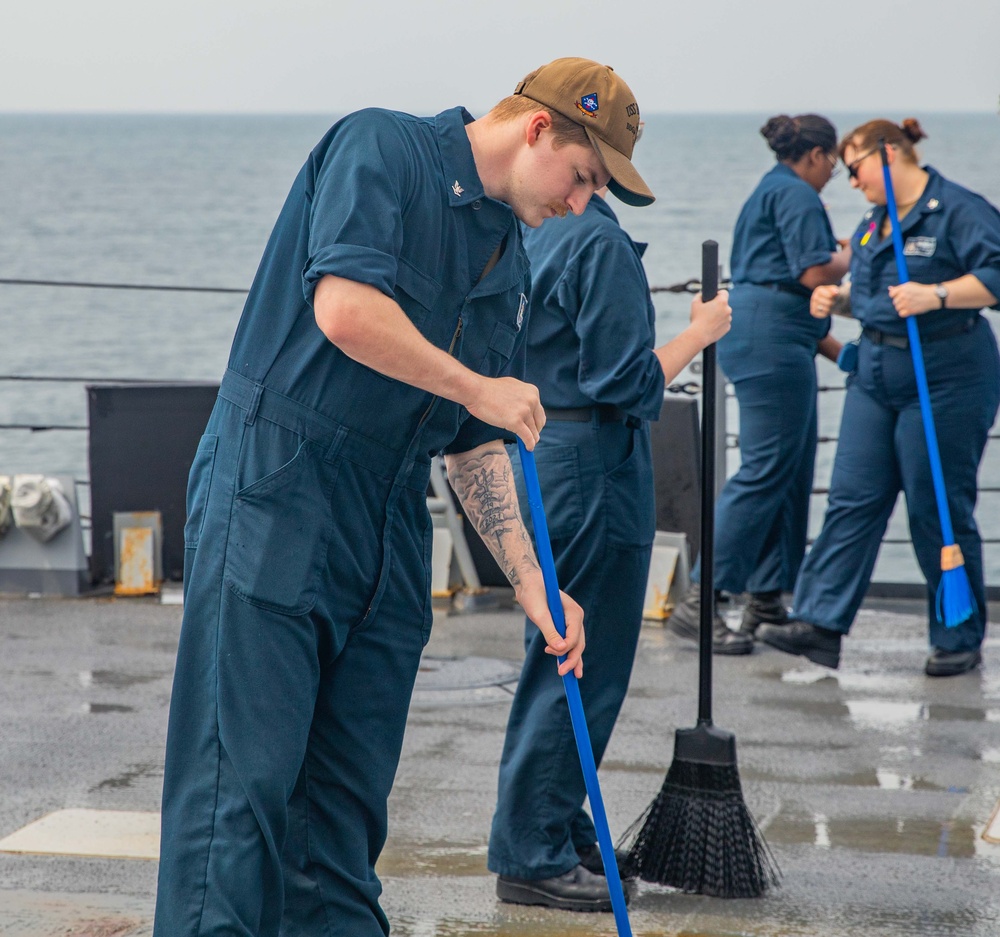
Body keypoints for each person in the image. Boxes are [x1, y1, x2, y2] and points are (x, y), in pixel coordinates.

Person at [153, 57, 655, 937]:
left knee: (342, 821)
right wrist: (475, 386)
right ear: (538, 129)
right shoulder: (380, 147)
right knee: (239, 799)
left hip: (388, 519)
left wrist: (535, 584)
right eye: (583, 178)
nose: (582, 204)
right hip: (279, 486)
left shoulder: (512, 257)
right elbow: (345, 309)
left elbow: (474, 444)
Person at [487, 174, 732, 910]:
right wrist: (701, 330)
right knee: (581, 661)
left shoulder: (528, 228)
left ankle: (553, 829)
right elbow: (626, 381)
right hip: (594, 457)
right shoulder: (598, 242)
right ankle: (533, 853)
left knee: (558, 648)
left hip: (546, 449)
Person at [757, 117, 1000, 677]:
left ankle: (957, 633)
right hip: (877, 369)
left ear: (889, 154)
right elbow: (874, 299)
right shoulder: (873, 224)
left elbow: (995, 273)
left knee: (935, 505)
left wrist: (938, 293)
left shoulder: (957, 209)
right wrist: (836, 301)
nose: (851, 180)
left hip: (945, 371)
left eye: (855, 167)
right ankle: (820, 624)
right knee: (852, 495)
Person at [667, 114, 850, 652]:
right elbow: (815, 273)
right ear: (815, 155)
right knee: (768, 469)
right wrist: (857, 249)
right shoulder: (795, 195)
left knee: (789, 472)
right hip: (774, 340)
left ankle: (766, 599)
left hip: (773, 334)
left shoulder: (773, 190)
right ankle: (701, 602)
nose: (834, 171)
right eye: (833, 160)